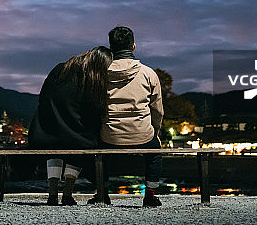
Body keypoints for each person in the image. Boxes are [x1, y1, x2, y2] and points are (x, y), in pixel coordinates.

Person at [89, 25, 164, 207]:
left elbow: (94, 107)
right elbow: (158, 110)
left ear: (111, 48)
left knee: (101, 152)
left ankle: (103, 193)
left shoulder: (100, 75)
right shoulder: (148, 73)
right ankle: (150, 196)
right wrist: (155, 131)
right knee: (155, 153)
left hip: (110, 134)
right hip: (142, 134)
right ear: (133, 47)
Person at [28, 46, 114, 205]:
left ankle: (52, 195)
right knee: (81, 143)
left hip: (44, 133)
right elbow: (92, 113)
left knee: (56, 149)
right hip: (73, 138)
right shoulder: (90, 79)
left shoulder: (60, 69)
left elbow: (43, 98)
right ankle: (67, 195)